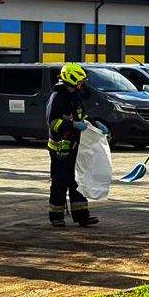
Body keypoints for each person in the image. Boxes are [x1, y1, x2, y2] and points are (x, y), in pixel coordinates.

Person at [45, 63, 101, 227]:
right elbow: (52, 123)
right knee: (60, 182)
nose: (82, 84)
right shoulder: (57, 97)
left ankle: (82, 216)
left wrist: (94, 124)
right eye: (80, 81)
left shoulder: (75, 96)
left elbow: (81, 115)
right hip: (60, 148)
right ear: (71, 79)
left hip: (75, 146)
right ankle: (56, 216)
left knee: (77, 181)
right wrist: (72, 126)